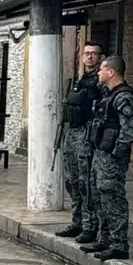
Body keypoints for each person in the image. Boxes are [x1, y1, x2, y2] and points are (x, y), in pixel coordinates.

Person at [82, 55, 133, 261]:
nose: (98, 72)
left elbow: (129, 130)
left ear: (111, 72)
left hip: (112, 157)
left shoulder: (124, 97)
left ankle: (119, 244)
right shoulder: (108, 95)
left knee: (112, 197)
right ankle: (104, 238)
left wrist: (118, 152)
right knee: (98, 195)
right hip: (101, 153)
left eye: (101, 69)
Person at [55, 41, 104, 243]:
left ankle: (90, 225)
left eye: (94, 54)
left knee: (85, 183)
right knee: (72, 181)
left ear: (100, 58)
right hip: (72, 133)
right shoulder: (79, 79)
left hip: (86, 134)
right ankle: (78, 222)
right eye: (87, 54)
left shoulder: (100, 82)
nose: (90, 57)